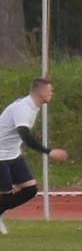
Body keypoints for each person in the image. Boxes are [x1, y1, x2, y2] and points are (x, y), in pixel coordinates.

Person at [0, 78, 69, 234]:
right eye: (50, 91)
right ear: (42, 93)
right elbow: (25, 135)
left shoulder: (34, 106)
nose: (52, 93)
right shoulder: (23, 107)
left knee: (30, 189)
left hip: (13, 154)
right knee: (5, 193)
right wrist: (49, 151)